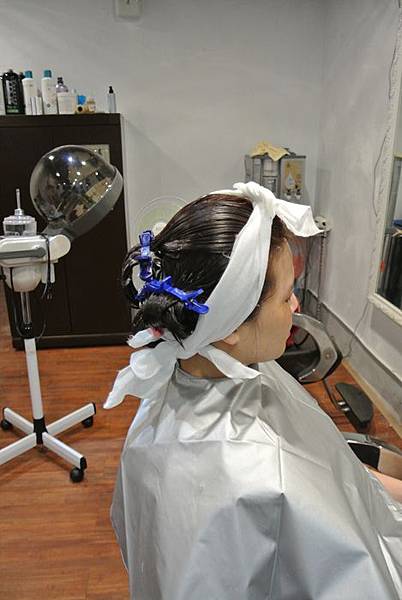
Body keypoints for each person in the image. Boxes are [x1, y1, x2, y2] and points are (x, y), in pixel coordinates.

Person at [105, 182, 402, 600]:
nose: (296, 306)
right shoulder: (263, 472)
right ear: (229, 326)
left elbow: (329, 469)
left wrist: (365, 484)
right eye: (286, 296)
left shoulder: (195, 370)